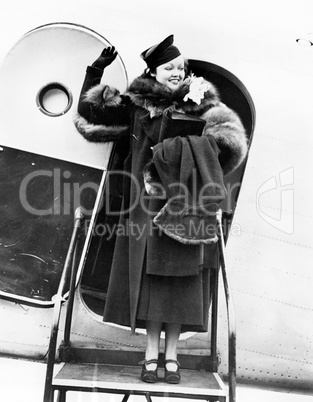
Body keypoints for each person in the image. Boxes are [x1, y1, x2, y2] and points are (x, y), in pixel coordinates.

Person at [74, 35, 247, 384]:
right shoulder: (138, 104)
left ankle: (172, 357)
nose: (176, 73)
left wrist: (196, 149)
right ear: (153, 72)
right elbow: (91, 113)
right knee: (151, 282)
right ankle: (151, 356)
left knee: (179, 285)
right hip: (146, 207)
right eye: (169, 68)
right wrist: (95, 72)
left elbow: (231, 147)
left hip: (187, 204)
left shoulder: (201, 102)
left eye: (180, 68)